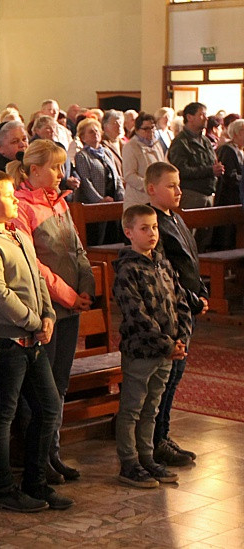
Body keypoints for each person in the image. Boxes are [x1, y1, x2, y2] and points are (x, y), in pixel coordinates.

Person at [0, 169, 71, 512]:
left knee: (49, 407)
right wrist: (32, 321)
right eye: (9, 195)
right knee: (3, 415)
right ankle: (1, 489)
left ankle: (36, 482)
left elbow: (38, 276)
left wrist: (49, 315)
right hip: (3, 340)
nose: (15, 199)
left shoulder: (17, 235)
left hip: (32, 336)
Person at [7, 140, 95, 485]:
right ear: (33, 171)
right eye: (55, 167)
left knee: (59, 384)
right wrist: (70, 295)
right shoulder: (22, 206)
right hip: (46, 309)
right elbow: (34, 265)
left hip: (70, 306)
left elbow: (77, 249)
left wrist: (87, 285)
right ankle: (36, 458)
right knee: (40, 388)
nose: (61, 174)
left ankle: (51, 453)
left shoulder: (59, 203)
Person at [112, 204, 192, 488]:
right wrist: (167, 343)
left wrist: (180, 338)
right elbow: (138, 315)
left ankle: (147, 456)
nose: (152, 233)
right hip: (142, 352)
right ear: (129, 232)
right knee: (132, 408)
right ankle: (129, 461)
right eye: (144, 229)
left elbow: (180, 302)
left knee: (152, 408)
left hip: (167, 351)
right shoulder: (126, 271)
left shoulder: (163, 263)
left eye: (155, 227)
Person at [145, 162, 208, 468]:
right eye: (171, 186)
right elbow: (165, 273)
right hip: (170, 312)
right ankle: (157, 441)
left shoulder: (176, 218)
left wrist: (202, 292)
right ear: (152, 189)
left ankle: (164, 435)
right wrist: (191, 299)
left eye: (179, 184)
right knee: (167, 378)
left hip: (186, 308)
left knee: (175, 376)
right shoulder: (152, 223)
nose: (179, 190)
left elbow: (189, 261)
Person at [167, 102, 224, 252]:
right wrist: (209, 171)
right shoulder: (181, 142)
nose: (205, 118)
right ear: (189, 117)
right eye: (201, 114)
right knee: (189, 237)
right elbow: (180, 170)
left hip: (208, 193)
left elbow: (212, 161)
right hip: (192, 194)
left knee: (205, 237)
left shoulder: (205, 140)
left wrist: (216, 169)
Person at [74, 118, 124, 245]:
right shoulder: (82, 156)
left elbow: (116, 176)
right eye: (91, 132)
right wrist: (99, 200)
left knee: (115, 237)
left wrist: (121, 196)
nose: (95, 133)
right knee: (99, 240)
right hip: (96, 205)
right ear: (83, 137)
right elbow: (86, 182)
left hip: (113, 201)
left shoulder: (106, 152)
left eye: (97, 131)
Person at [122, 113, 165, 210]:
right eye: (146, 129)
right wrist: (150, 186)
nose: (150, 131)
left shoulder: (157, 144)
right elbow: (129, 175)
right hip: (139, 199)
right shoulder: (131, 146)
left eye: (152, 127)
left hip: (156, 199)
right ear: (137, 130)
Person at [214, 119, 244, 248]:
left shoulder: (239, 150)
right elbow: (230, 176)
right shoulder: (228, 150)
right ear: (237, 133)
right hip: (228, 198)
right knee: (227, 237)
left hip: (237, 199)